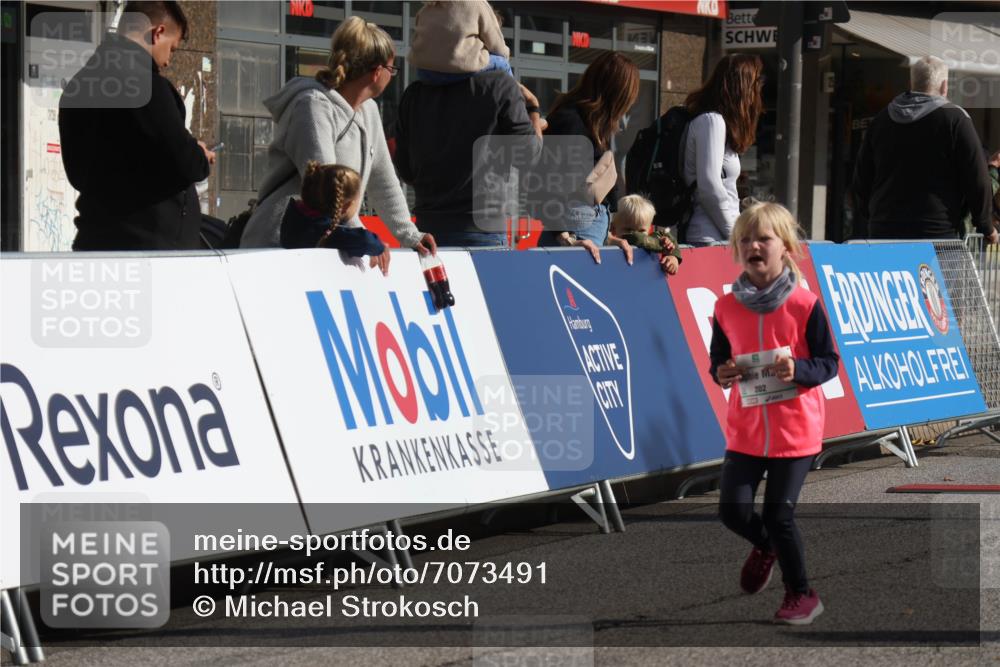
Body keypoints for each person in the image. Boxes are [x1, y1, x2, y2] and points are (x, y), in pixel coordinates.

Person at [709, 202, 839, 626]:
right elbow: (718, 360)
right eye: (745, 240)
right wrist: (722, 372)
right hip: (745, 431)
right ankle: (766, 546)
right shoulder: (725, 307)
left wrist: (798, 370)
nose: (753, 247)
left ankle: (802, 594)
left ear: (785, 247)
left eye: (763, 239)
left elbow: (829, 363)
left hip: (794, 432)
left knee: (778, 516)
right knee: (732, 512)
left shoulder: (804, 304)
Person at [240, 16, 436, 273]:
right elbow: (329, 189)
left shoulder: (369, 111)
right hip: (279, 243)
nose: (392, 75)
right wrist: (363, 237)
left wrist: (410, 235)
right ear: (377, 72)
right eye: (392, 69)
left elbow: (384, 181)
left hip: (324, 245)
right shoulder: (312, 105)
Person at [58, 0, 215, 250]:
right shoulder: (147, 87)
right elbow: (186, 163)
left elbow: (78, 175)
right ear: (158, 32)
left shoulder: (77, 86)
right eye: (172, 49)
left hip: (94, 241)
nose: (168, 61)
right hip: (148, 248)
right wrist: (199, 153)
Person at [393, 57, 542, 247]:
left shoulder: (414, 94)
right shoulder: (500, 84)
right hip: (482, 230)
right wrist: (533, 108)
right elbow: (530, 156)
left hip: (427, 231)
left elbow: (405, 171)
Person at [853, 56, 998, 244]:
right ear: (945, 86)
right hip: (937, 233)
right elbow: (977, 178)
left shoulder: (881, 119)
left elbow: (861, 178)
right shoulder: (955, 119)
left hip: (883, 232)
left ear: (911, 84)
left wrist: (873, 215)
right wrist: (986, 227)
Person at [536, 51, 639, 265]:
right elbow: (546, 184)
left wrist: (608, 237)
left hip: (584, 233)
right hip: (575, 233)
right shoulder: (573, 121)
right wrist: (565, 238)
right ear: (617, 94)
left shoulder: (591, 123)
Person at [682, 54, 764, 247]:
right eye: (756, 82)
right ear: (741, 86)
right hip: (709, 238)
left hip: (719, 236)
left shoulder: (718, 123)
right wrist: (736, 236)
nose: (758, 89)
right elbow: (709, 187)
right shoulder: (712, 121)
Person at [279, 162, 385, 261]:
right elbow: (368, 241)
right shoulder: (327, 234)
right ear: (346, 206)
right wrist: (381, 247)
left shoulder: (294, 219)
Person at [411, 0, 511, 84]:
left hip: (425, 72)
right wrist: (505, 55)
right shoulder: (477, 4)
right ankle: (516, 94)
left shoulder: (426, 8)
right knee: (503, 63)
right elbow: (497, 46)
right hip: (458, 71)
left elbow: (416, 38)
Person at [612, 194, 681, 275]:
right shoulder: (607, 244)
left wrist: (673, 256)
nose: (636, 234)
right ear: (613, 229)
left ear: (649, 229)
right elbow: (637, 238)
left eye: (641, 231)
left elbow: (666, 236)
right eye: (629, 230)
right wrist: (658, 245)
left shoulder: (652, 239)